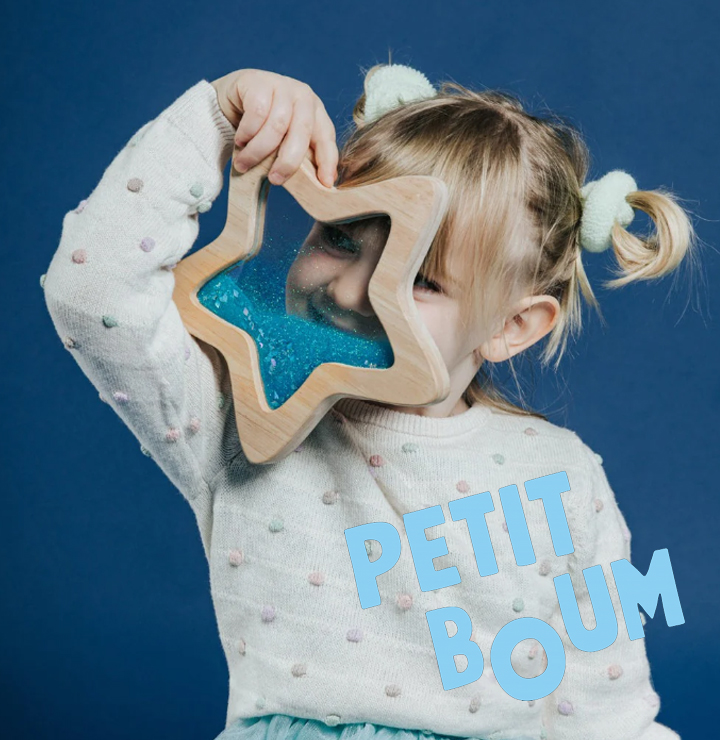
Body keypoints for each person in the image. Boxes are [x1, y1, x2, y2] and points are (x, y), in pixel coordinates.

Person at [42, 64, 696, 740]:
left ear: (512, 326)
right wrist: (218, 115)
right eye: (339, 239)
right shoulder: (240, 415)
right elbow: (90, 295)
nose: (350, 292)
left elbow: (606, 713)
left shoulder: (562, 478)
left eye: (422, 280)